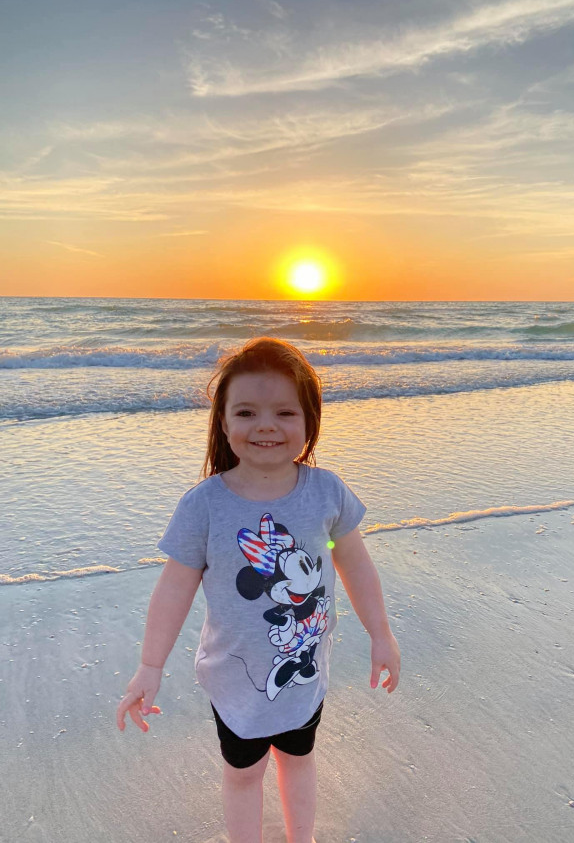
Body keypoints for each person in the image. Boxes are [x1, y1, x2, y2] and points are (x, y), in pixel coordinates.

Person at [116, 336, 401, 843]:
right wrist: (149, 665)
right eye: (246, 412)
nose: (266, 425)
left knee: (298, 759)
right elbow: (173, 590)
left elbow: (356, 565)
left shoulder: (326, 492)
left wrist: (382, 634)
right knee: (244, 774)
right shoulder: (205, 506)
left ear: (310, 422)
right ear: (223, 423)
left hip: (304, 673)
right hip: (234, 679)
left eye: (285, 413)